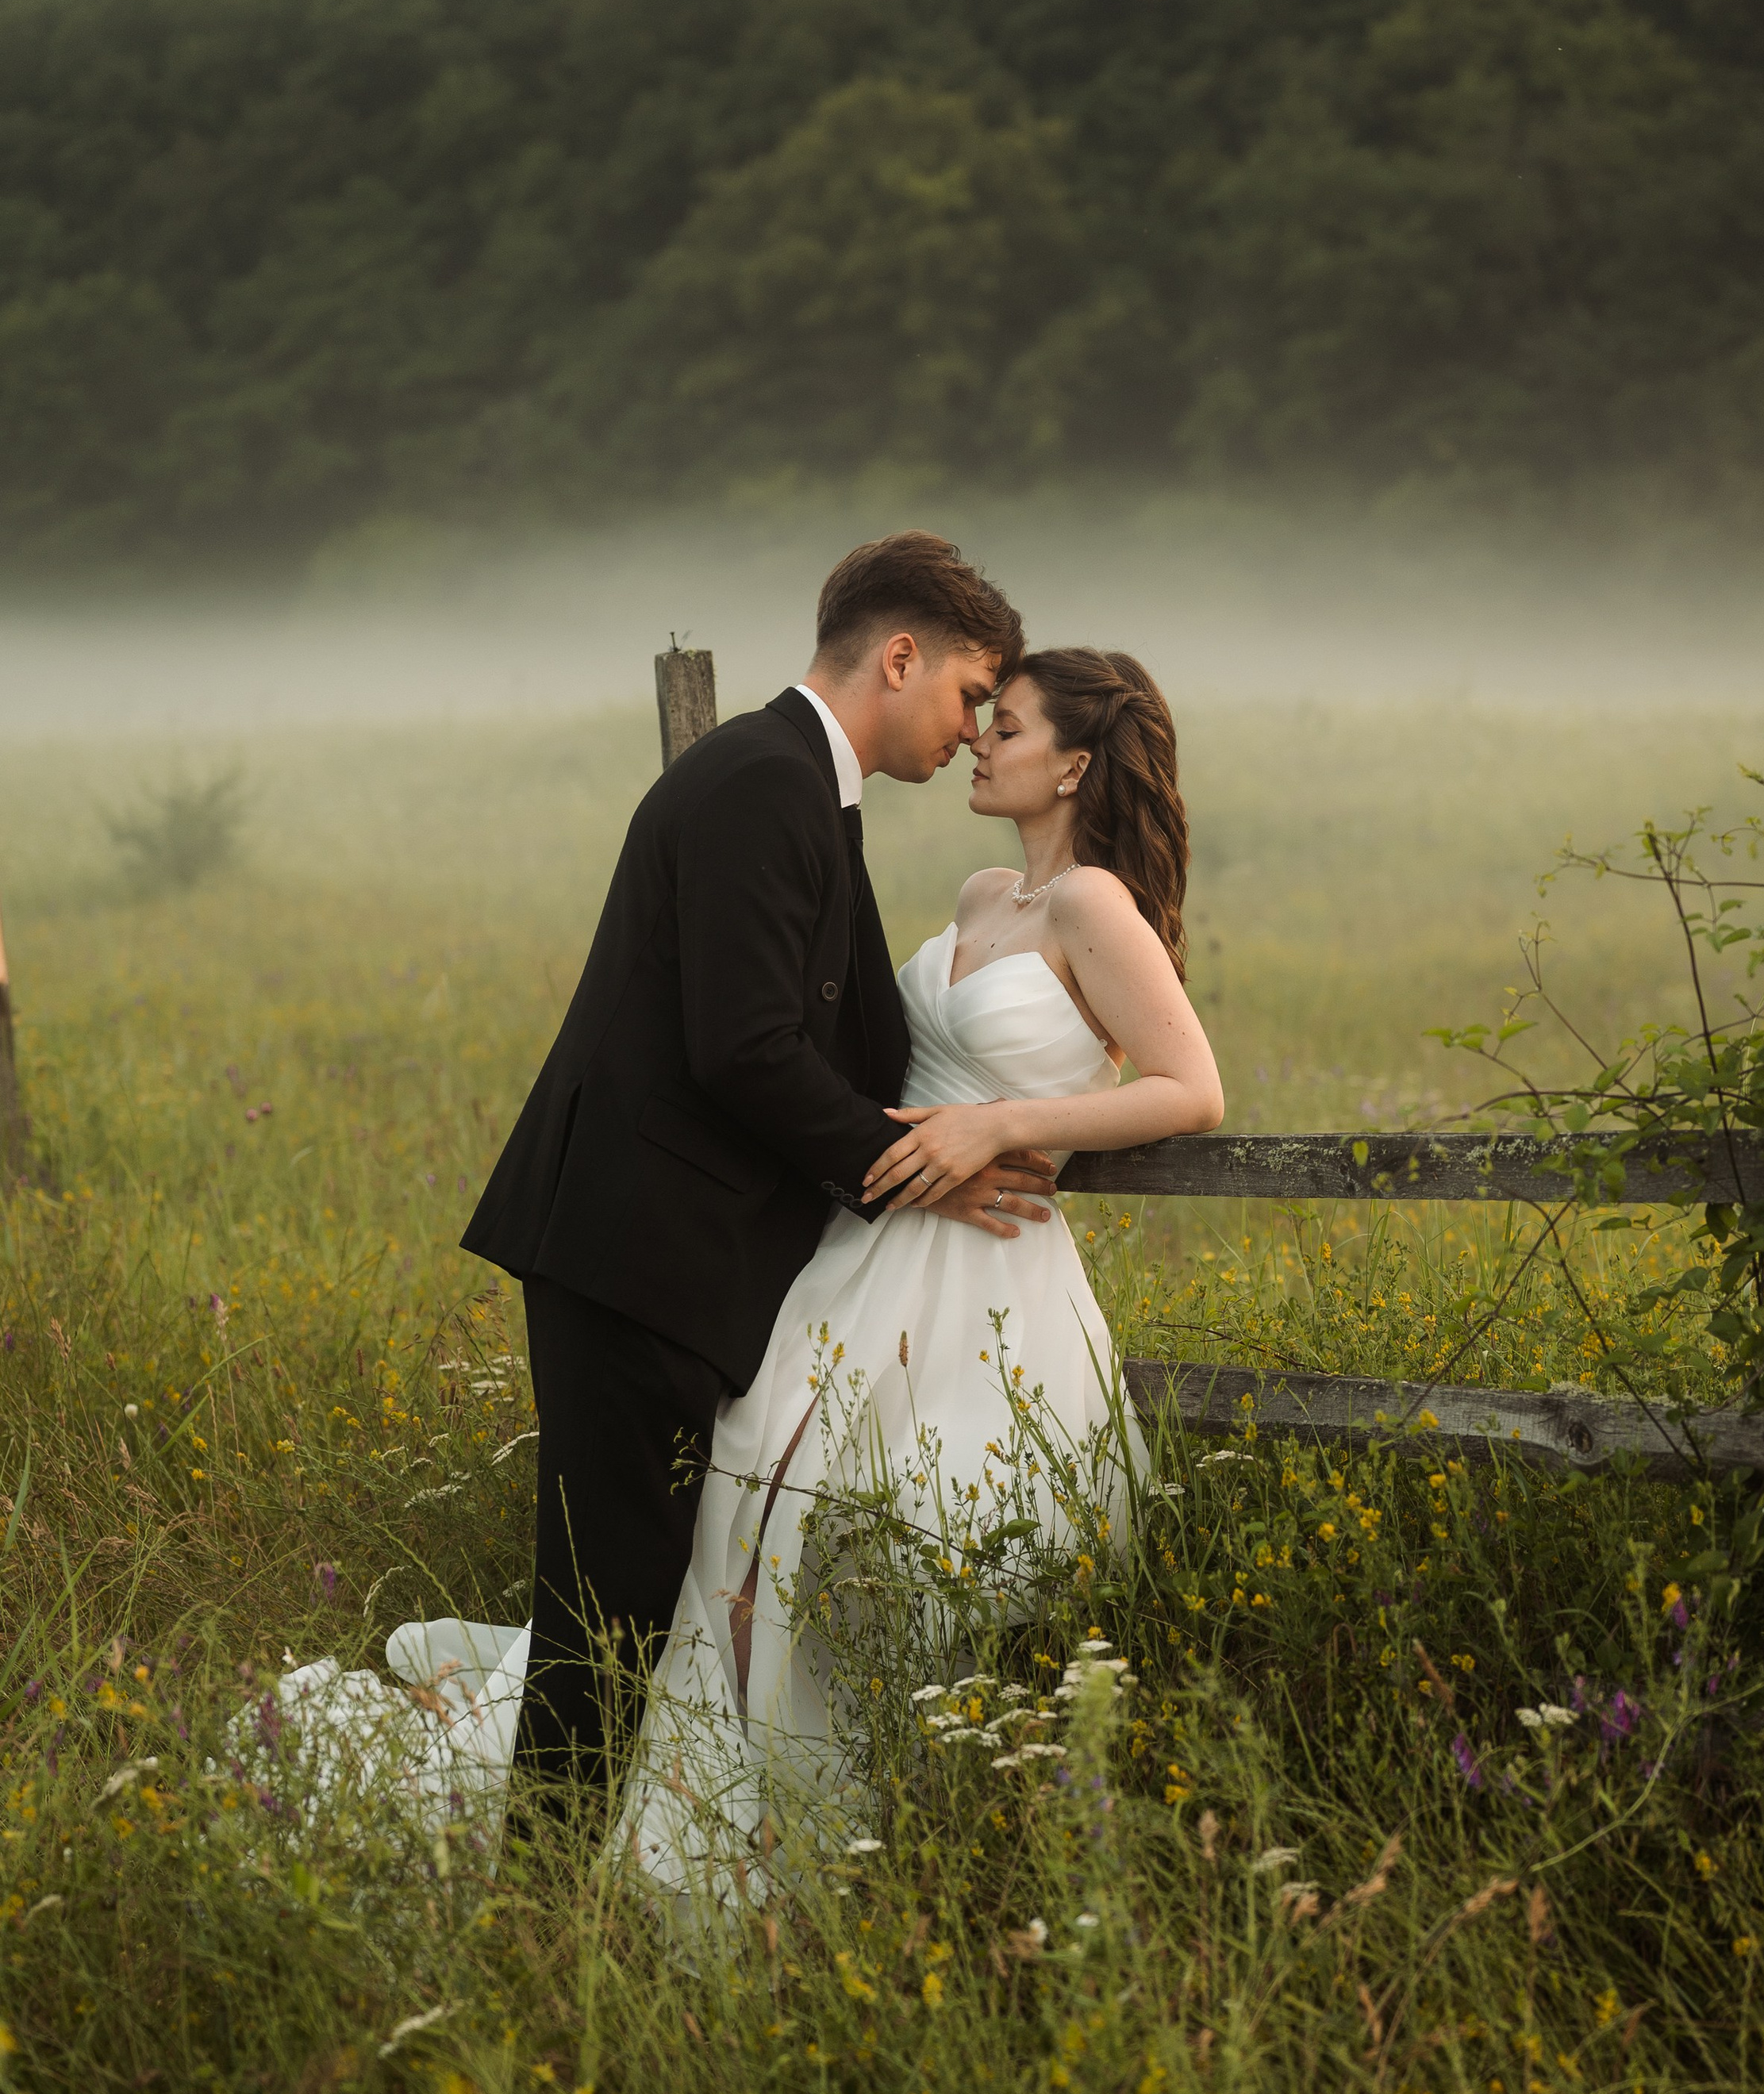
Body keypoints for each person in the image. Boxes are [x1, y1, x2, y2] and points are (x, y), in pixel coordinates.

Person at [255, 640, 1223, 1896]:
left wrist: (1004, 1124)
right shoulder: (987, 894)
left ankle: (882, 1805)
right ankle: (708, 1791)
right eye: (981, 712)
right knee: (751, 1510)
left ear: (1076, 763)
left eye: (1013, 724)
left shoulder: (1096, 906)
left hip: (976, 1269)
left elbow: (1190, 1090)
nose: (983, 736)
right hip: (859, 1253)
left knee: (891, 1539)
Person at [458, 532, 1048, 1838]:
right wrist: (910, 1174)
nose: (968, 732)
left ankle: (560, 1884)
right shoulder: (758, 783)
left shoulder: (801, 788)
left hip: (665, 1260)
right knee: (602, 1611)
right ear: (901, 656)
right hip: (635, 1257)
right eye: (966, 694)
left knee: (635, 1604)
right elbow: (744, 1048)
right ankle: (537, 1906)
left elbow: (811, 1037)